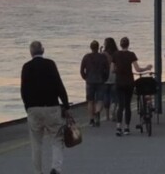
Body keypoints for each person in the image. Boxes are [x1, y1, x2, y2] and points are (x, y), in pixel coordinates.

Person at [21, 40, 70, 174]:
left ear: (31, 52)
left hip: (34, 109)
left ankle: (38, 172)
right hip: (51, 107)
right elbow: (59, 85)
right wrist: (66, 105)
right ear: (43, 50)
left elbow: (23, 90)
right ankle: (56, 168)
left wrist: (28, 107)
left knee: (36, 143)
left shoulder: (26, 67)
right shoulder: (50, 64)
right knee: (57, 138)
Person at [111, 36, 152, 136]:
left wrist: (118, 70)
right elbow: (137, 69)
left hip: (119, 82)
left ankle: (118, 127)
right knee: (127, 105)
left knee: (120, 106)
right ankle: (127, 128)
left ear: (120, 45)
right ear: (128, 45)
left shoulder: (115, 55)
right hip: (129, 82)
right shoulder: (131, 55)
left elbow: (112, 70)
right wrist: (147, 68)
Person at [80, 39, 110, 127]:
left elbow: (82, 70)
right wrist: (105, 78)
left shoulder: (86, 57)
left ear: (91, 48)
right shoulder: (103, 57)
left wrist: (85, 77)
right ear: (98, 47)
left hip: (89, 81)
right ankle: (97, 112)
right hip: (100, 80)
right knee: (100, 100)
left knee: (90, 101)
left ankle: (91, 119)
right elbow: (107, 69)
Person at [102, 37, 119, 121]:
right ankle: (114, 110)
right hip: (115, 75)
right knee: (114, 95)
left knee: (106, 95)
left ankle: (107, 116)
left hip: (106, 76)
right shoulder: (117, 53)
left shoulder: (104, 54)